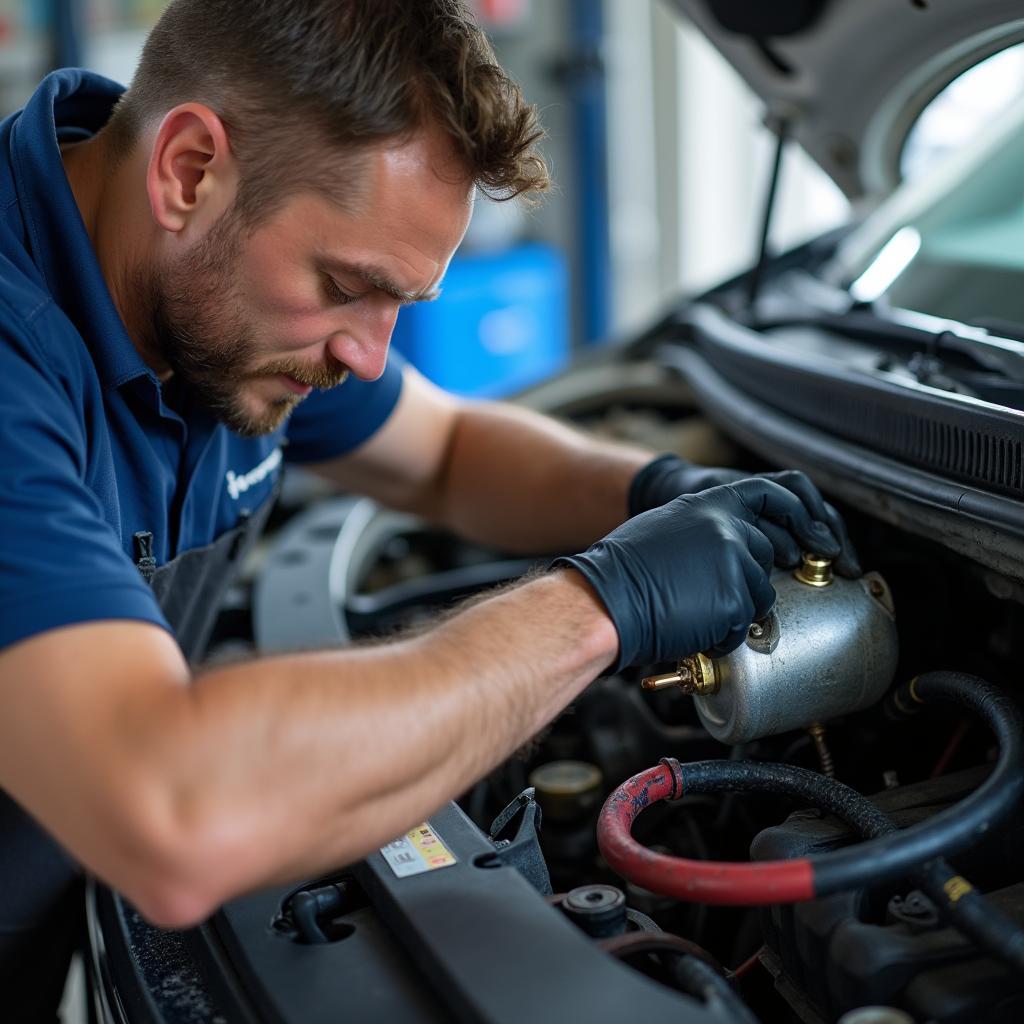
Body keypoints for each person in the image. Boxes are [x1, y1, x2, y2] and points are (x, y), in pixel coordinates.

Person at [0, 0, 858, 1016]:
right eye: (348, 285)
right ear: (187, 169)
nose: (369, 353)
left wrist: (655, 491)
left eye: (399, 304)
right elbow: (173, 817)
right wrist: (601, 605)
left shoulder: (202, 281)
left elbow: (447, 452)